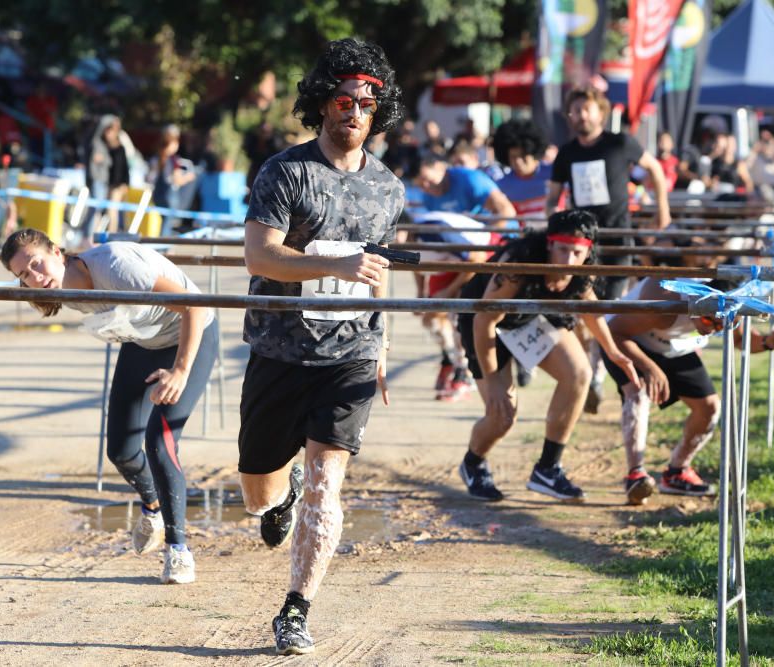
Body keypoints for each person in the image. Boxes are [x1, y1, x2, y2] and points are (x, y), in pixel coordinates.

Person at [238, 38, 404, 655]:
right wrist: (329, 266)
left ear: (379, 111)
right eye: (343, 99)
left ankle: (295, 610)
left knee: (327, 482)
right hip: (280, 351)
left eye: (368, 101)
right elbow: (258, 256)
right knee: (259, 485)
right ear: (322, 104)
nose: (354, 111)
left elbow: (376, 273)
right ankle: (273, 506)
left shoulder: (389, 188)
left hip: (350, 353)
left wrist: (380, 344)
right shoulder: (286, 171)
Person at [0, 229, 218, 583]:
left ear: (57, 251)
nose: (35, 277)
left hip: (191, 334)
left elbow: (195, 305)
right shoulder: (56, 287)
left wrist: (179, 371)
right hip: (143, 340)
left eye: (37, 263)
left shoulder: (116, 266)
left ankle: (178, 551)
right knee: (121, 450)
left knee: (159, 442)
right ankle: (152, 506)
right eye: (24, 275)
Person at [456, 210, 640, 502]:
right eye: (563, 249)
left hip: (531, 317)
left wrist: (613, 351)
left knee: (579, 374)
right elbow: (484, 320)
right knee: (502, 414)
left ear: (587, 252)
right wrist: (492, 382)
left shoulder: (582, 269)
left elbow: (590, 307)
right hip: (486, 323)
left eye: (576, 252)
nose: (568, 260)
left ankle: (548, 468)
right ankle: (473, 463)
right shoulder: (521, 261)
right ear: (550, 244)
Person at [603, 277, 774, 504]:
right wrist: (649, 367)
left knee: (710, 408)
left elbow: (739, 340)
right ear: (696, 304)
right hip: (627, 341)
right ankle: (636, 475)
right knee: (638, 393)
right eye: (708, 321)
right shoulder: (666, 305)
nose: (712, 330)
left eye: (722, 326)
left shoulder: (724, 306)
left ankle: (677, 472)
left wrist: (767, 342)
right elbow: (613, 332)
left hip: (675, 348)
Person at [545, 85, 671, 415]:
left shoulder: (620, 143)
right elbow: (553, 197)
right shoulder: (567, 152)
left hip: (618, 241)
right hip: (581, 246)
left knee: (608, 310)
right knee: (584, 312)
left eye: (587, 110)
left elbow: (655, 169)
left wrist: (662, 209)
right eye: (575, 110)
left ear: (600, 112)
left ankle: (603, 376)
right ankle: (594, 371)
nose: (581, 116)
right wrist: (551, 229)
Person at [406, 210, 495, 401]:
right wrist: (421, 294)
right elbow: (417, 265)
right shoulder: (410, 238)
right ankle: (449, 358)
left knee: (459, 316)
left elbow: (475, 260)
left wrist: (449, 292)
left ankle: (464, 371)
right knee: (431, 319)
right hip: (449, 262)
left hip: (477, 257)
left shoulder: (434, 234)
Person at [83, 115, 135, 239]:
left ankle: (112, 236)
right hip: (109, 184)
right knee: (104, 211)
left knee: (112, 210)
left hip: (118, 184)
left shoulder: (120, 148)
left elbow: (123, 169)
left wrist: (124, 185)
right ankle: (98, 235)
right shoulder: (104, 146)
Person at [492, 118, 553, 219]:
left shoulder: (554, 174)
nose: (518, 162)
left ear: (535, 154)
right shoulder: (501, 186)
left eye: (523, 156)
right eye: (513, 157)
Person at [149, 124, 198, 237]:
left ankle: (161, 246)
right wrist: (189, 177)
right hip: (169, 196)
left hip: (157, 195)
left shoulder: (156, 157)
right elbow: (177, 180)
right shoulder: (173, 160)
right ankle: (163, 248)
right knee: (167, 224)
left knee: (164, 223)